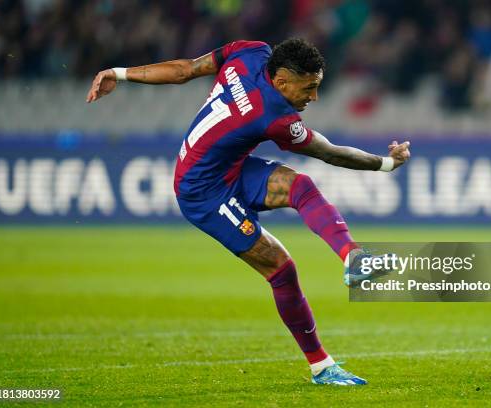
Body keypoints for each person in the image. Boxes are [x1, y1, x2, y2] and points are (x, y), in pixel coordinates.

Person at [86, 38, 411, 385]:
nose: (313, 97)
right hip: (202, 192)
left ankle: (353, 258)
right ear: (283, 82)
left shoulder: (251, 51)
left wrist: (119, 73)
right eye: (310, 88)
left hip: (229, 167)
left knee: (301, 186)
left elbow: (184, 70)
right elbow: (329, 153)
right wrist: (387, 164)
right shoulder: (275, 117)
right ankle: (320, 365)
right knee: (282, 269)